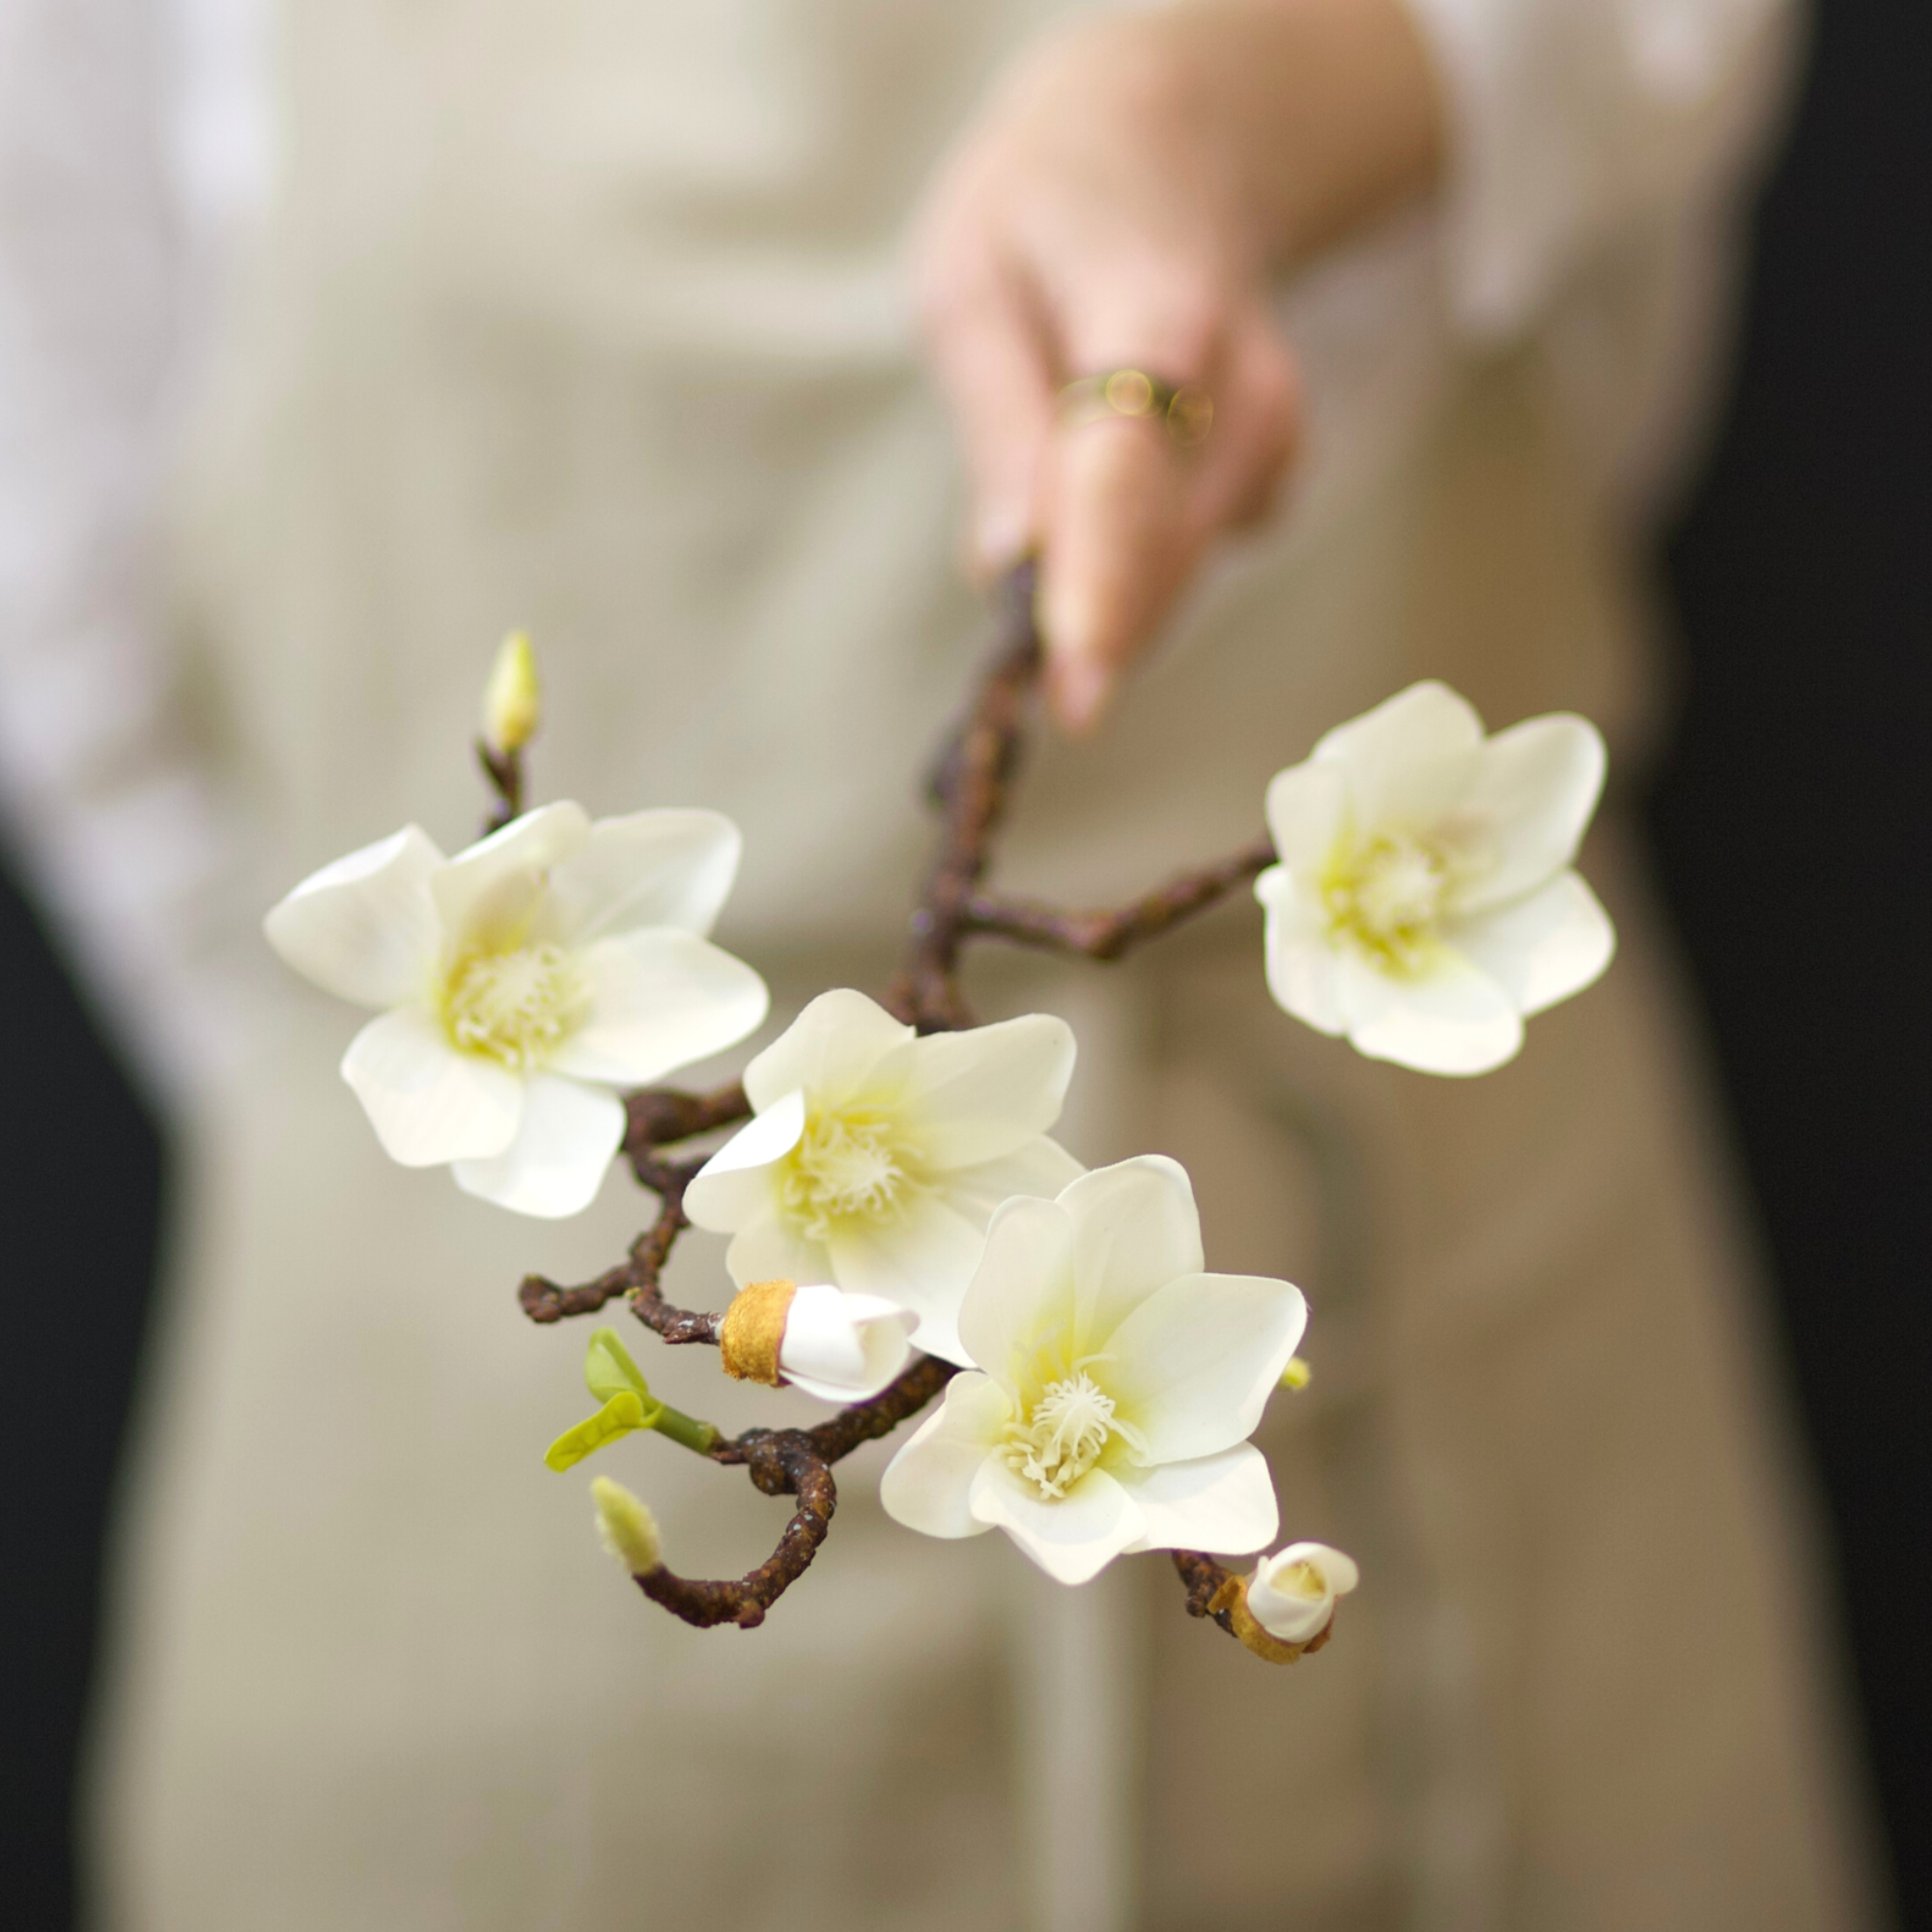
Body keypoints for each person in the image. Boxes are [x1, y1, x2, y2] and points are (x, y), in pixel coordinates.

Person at [0, 1, 1883, 1926]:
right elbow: (61, 533)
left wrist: (1232, 108)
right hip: (469, 1417)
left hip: (1431, 1305)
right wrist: (415, 1102)